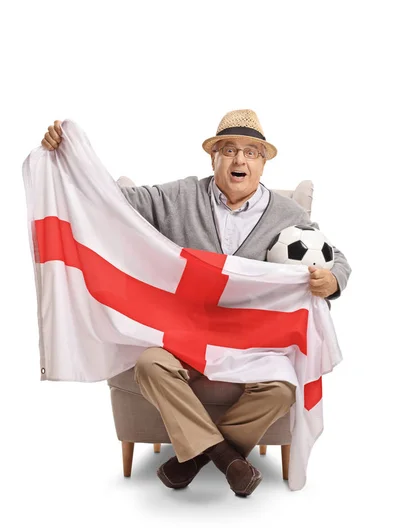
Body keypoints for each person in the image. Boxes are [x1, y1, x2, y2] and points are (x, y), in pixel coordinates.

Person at [41, 109, 352, 497]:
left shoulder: (289, 215)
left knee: (281, 389)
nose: (240, 160)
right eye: (229, 150)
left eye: (251, 152)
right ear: (213, 157)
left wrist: (333, 278)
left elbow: (333, 255)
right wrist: (69, 155)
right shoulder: (179, 196)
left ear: (263, 162)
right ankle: (226, 457)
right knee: (150, 365)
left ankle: (192, 457)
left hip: (250, 342)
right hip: (185, 336)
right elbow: (110, 199)